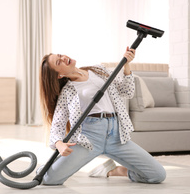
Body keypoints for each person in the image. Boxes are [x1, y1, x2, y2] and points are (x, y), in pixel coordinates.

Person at [39, 47, 166, 185]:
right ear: (59, 75)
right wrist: (59, 145)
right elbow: (58, 123)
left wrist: (126, 65)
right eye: (59, 62)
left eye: (60, 55)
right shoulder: (68, 91)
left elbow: (127, 91)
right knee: (48, 179)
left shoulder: (98, 70)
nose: (63, 58)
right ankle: (49, 168)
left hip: (116, 136)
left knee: (157, 175)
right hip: (90, 139)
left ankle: (114, 171)